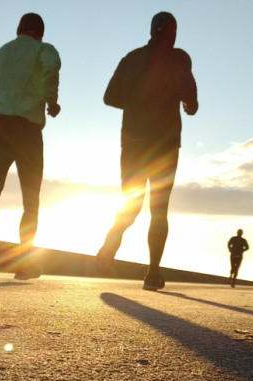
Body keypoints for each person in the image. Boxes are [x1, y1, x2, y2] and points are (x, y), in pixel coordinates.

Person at [95, 12, 198, 291]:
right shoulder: (179, 58)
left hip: (132, 143)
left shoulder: (130, 58)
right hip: (164, 144)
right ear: (173, 33)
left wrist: (136, 103)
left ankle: (109, 245)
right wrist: (190, 104)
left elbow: (108, 97)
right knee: (159, 209)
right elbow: (189, 92)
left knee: (132, 202)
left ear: (151, 30)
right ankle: (152, 274)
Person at [0, 13, 61, 281]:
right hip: (28, 131)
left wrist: (6, 97)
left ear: (18, 30)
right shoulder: (44, 50)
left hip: (0, 127)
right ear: (40, 33)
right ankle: (24, 263)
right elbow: (51, 69)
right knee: (31, 202)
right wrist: (50, 100)